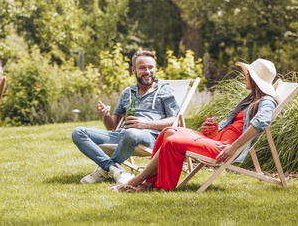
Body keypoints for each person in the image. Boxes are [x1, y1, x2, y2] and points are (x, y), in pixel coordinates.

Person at [110, 58, 278, 192]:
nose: (244, 76)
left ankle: (137, 181)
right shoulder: (251, 99)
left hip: (224, 148)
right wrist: (215, 129)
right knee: (168, 131)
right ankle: (150, 182)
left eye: (247, 74)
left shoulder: (266, 101)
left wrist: (234, 147)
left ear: (255, 79)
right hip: (216, 139)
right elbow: (235, 126)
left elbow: (261, 122)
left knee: (172, 142)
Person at [72, 50, 180, 184]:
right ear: (134, 70)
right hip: (122, 134)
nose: (147, 71)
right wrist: (106, 115)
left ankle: (104, 171)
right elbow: (112, 126)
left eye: (151, 67)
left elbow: (174, 120)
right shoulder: (127, 92)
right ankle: (113, 169)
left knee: (131, 133)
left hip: (151, 136)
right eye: (142, 68)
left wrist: (145, 124)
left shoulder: (165, 90)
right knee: (78, 132)